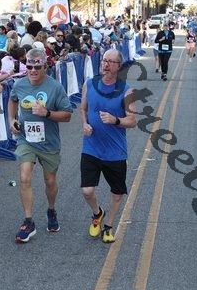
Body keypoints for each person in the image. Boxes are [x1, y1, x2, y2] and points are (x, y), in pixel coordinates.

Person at [8, 47, 73, 243]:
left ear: (45, 66)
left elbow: (67, 115)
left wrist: (47, 113)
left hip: (48, 142)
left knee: (50, 181)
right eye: (29, 67)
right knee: (24, 177)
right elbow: (12, 100)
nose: (33, 71)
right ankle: (28, 222)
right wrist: (12, 120)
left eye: (37, 67)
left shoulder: (55, 87)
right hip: (26, 139)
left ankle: (51, 210)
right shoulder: (19, 84)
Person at [80, 49, 136, 243]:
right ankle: (97, 214)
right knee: (87, 190)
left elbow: (132, 120)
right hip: (91, 147)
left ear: (119, 66)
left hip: (115, 151)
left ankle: (109, 225)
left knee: (117, 193)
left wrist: (115, 120)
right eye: (104, 60)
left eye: (111, 62)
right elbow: (83, 109)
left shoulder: (127, 90)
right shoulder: (89, 84)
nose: (106, 64)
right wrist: (84, 124)